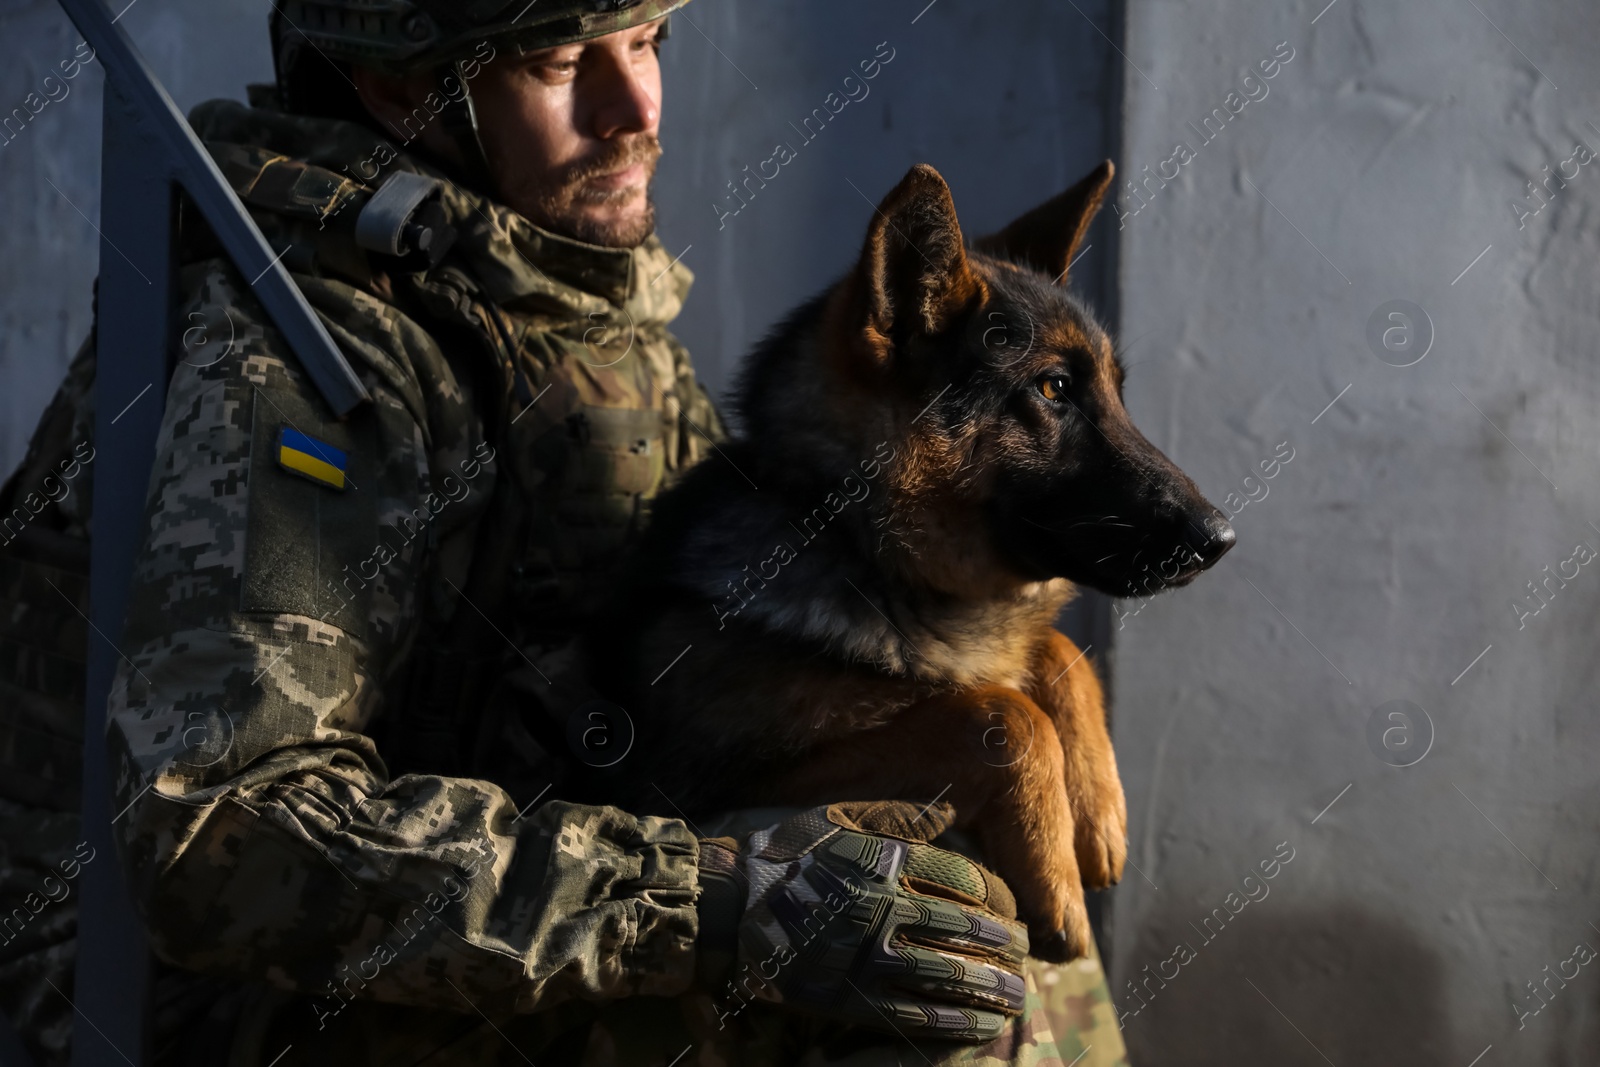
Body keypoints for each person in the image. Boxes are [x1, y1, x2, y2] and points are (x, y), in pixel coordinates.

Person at [0, 1, 1129, 1063]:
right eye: (559, 65)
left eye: (641, 44)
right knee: (907, 982)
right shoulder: (301, 362)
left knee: (956, 899)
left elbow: (727, 695)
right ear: (403, 87)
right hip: (198, 1011)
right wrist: (712, 899)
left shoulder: (566, 318)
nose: (631, 108)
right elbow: (222, 836)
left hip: (489, 917)